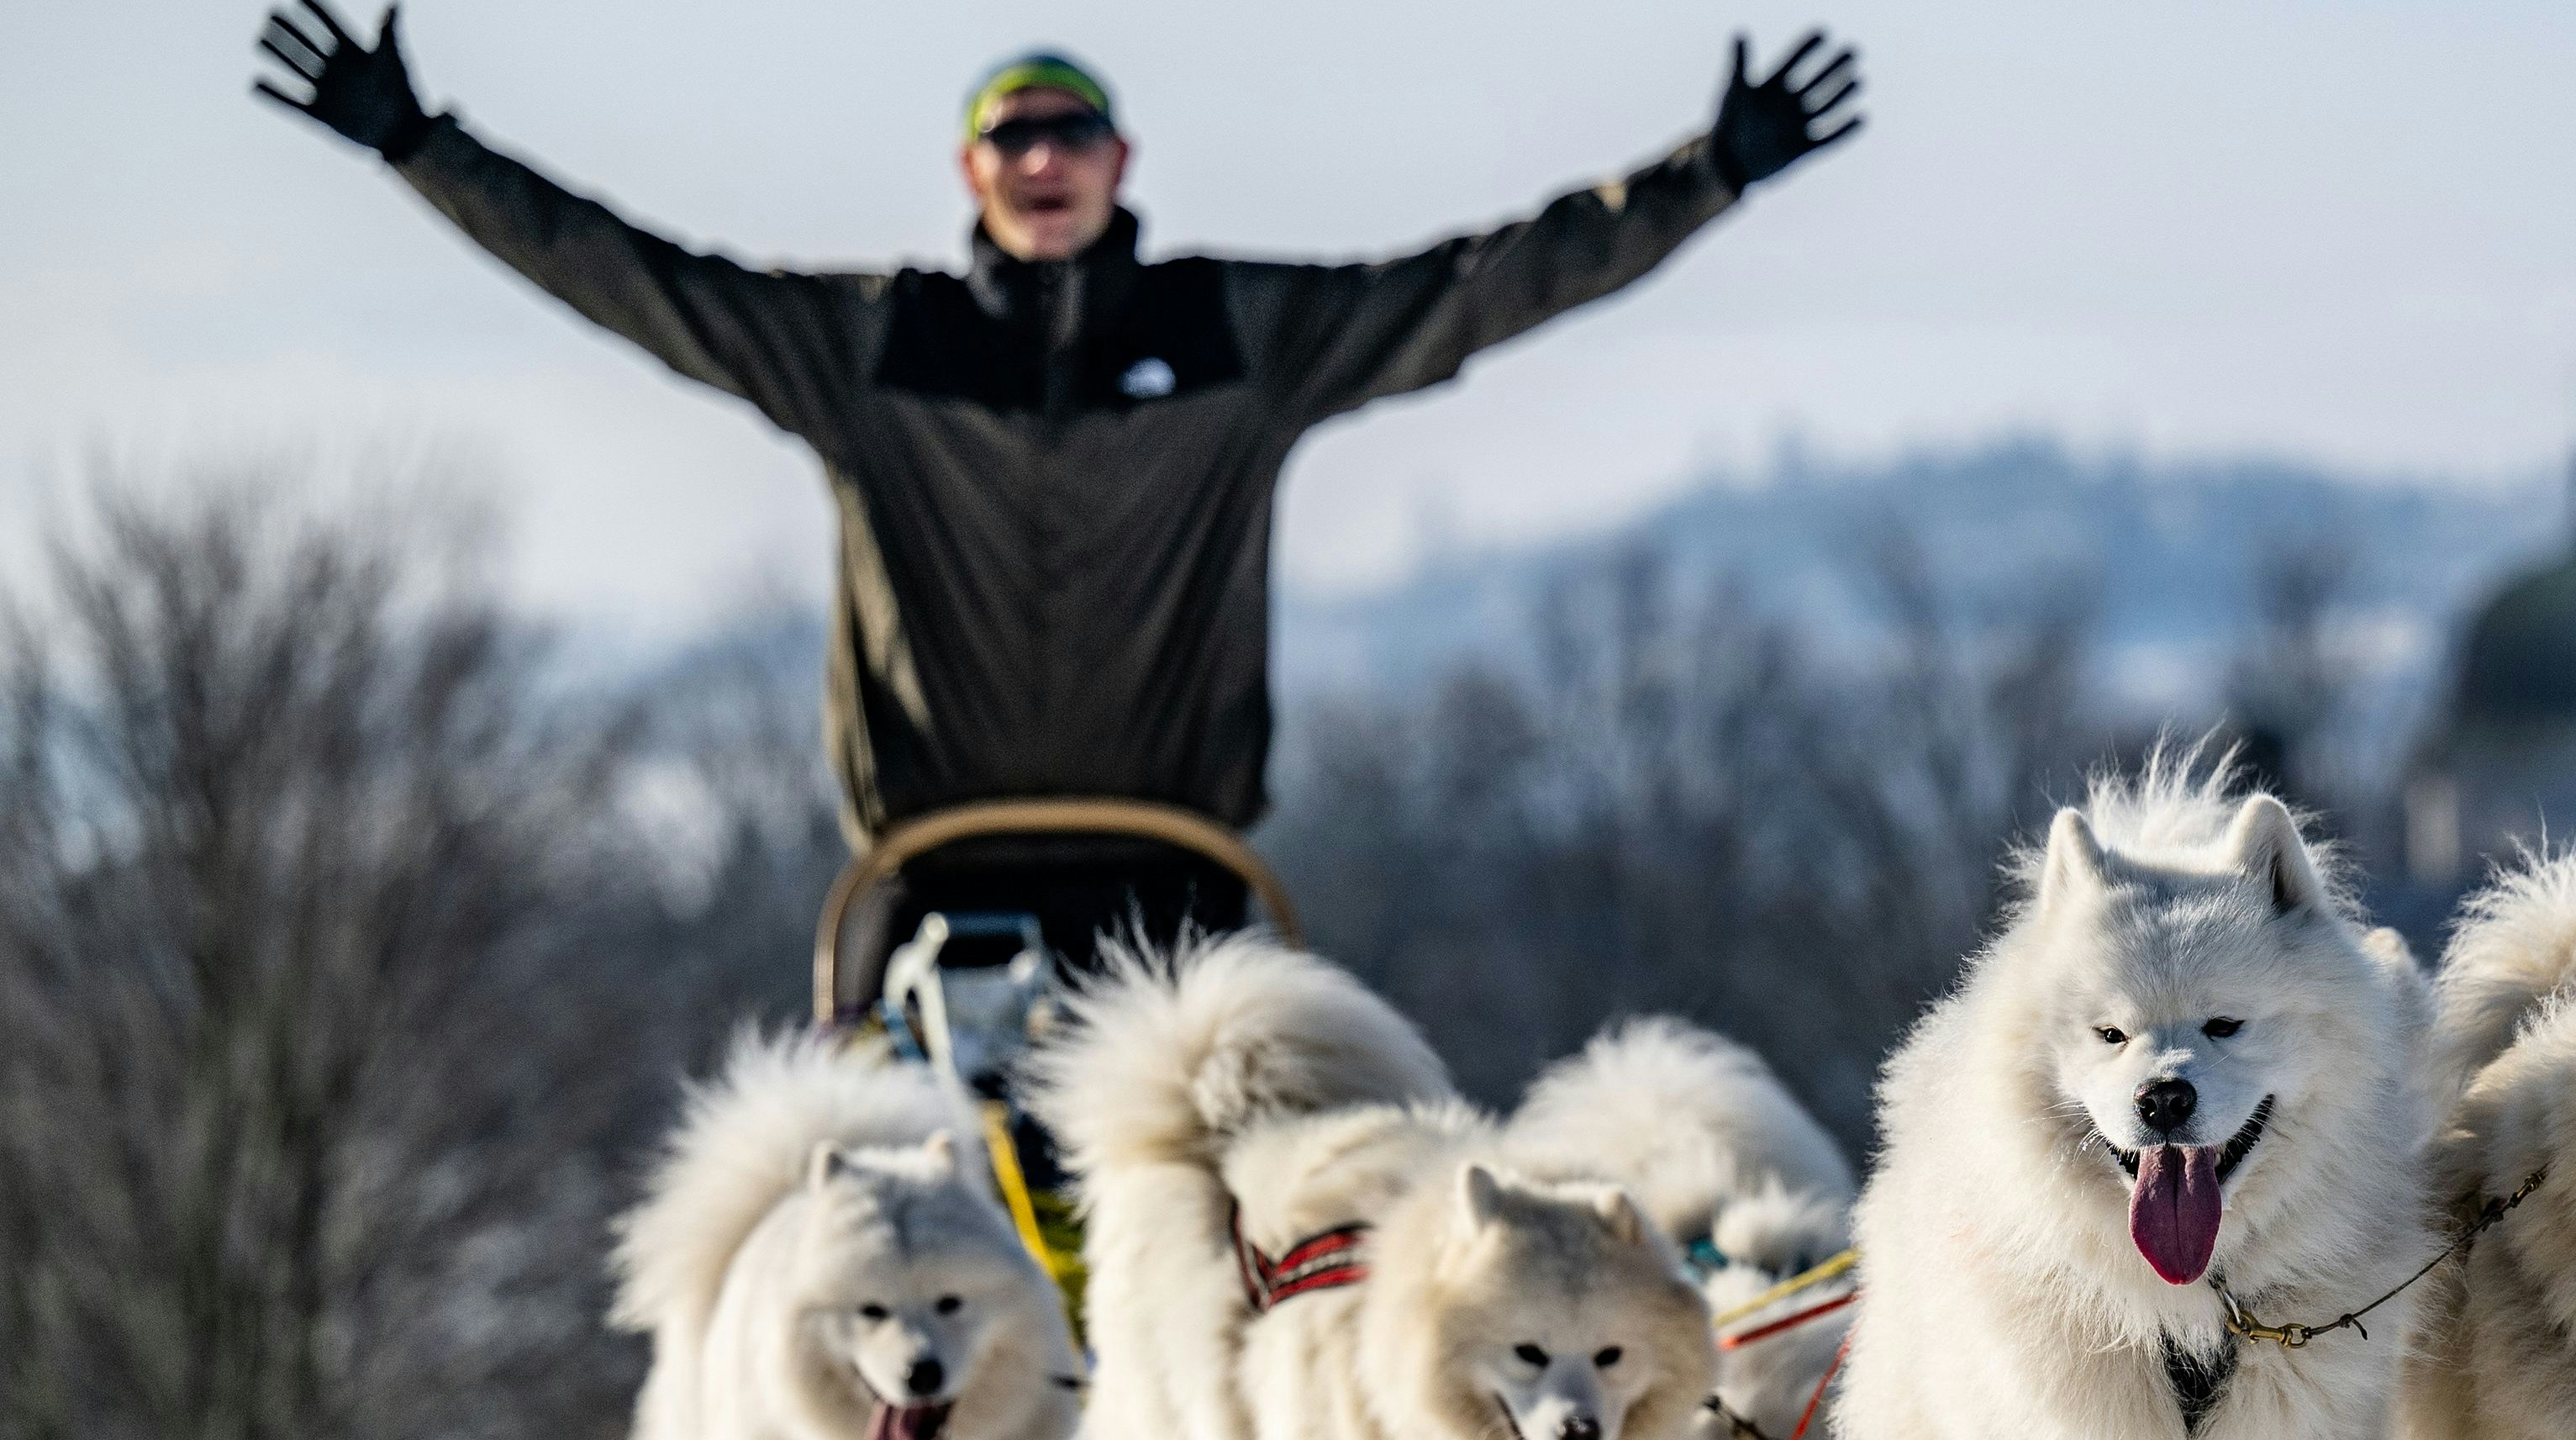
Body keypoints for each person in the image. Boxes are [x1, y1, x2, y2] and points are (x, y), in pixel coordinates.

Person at [251, 6, 1862, 994]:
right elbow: (629, 277)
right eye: (1012, 137)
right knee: (847, 1262)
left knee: (1282, 1234)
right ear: (970, 172)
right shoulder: (875, 352)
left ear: (1120, 158)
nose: (1043, 160)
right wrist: (421, 146)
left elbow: (1484, 286)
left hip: (1176, 879)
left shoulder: (1234, 338)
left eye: (1070, 132)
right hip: (936, 880)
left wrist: (1701, 176)